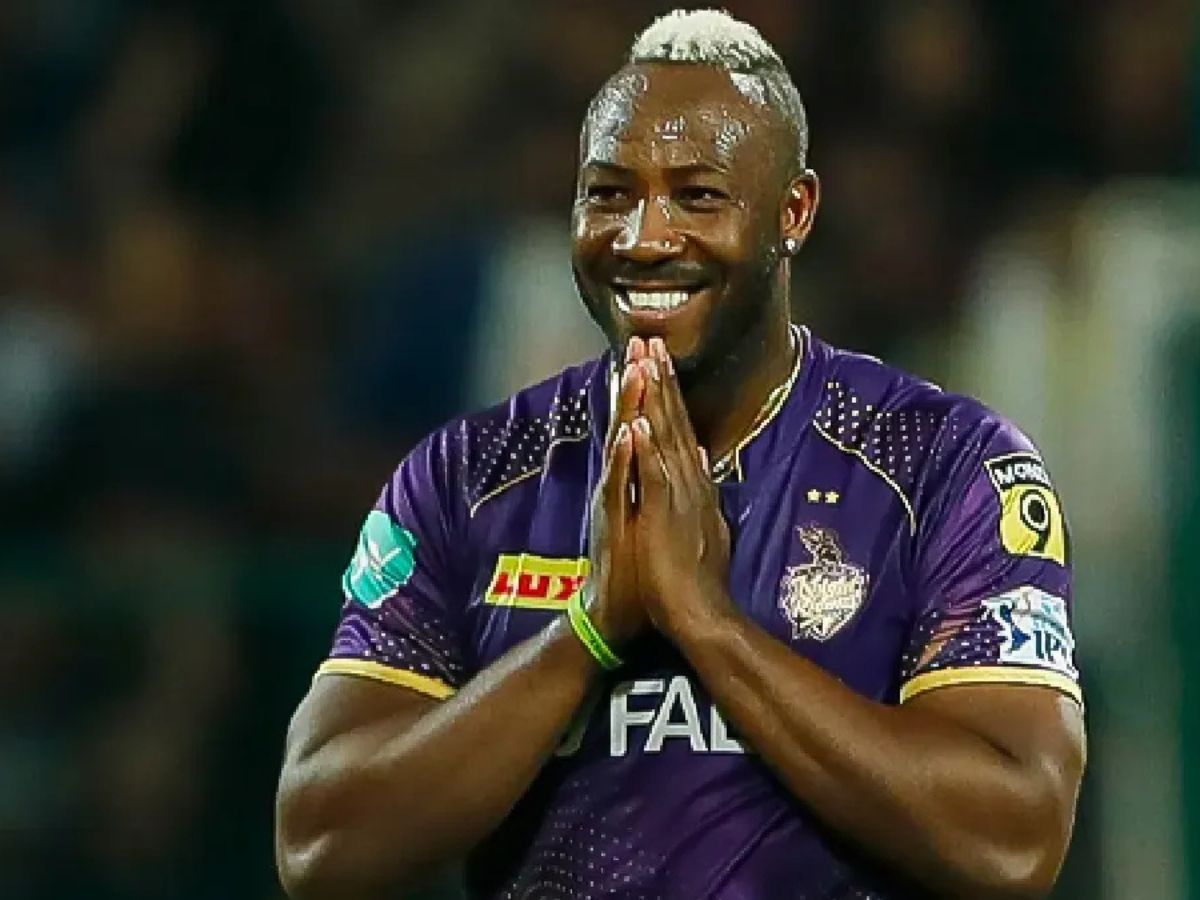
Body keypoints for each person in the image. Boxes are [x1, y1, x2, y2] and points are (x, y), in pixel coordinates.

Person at [275, 10, 1085, 899]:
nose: (645, 238)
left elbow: (1014, 841)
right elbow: (319, 844)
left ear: (793, 212)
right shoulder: (469, 478)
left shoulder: (940, 467)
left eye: (697, 196)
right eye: (609, 194)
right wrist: (590, 629)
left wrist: (708, 624)